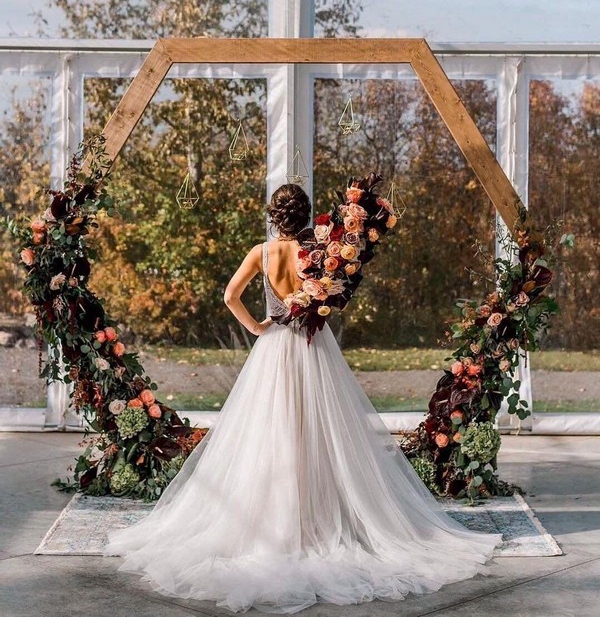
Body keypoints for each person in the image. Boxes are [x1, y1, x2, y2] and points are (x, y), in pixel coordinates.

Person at [103, 182, 502, 613]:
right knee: (323, 429)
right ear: (306, 215)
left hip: (274, 346)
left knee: (270, 430)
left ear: (274, 216)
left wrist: (258, 327)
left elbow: (229, 296)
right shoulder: (319, 251)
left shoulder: (262, 253)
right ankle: (324, 513)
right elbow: (335, 295)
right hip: (315, 348)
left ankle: (272, 519)